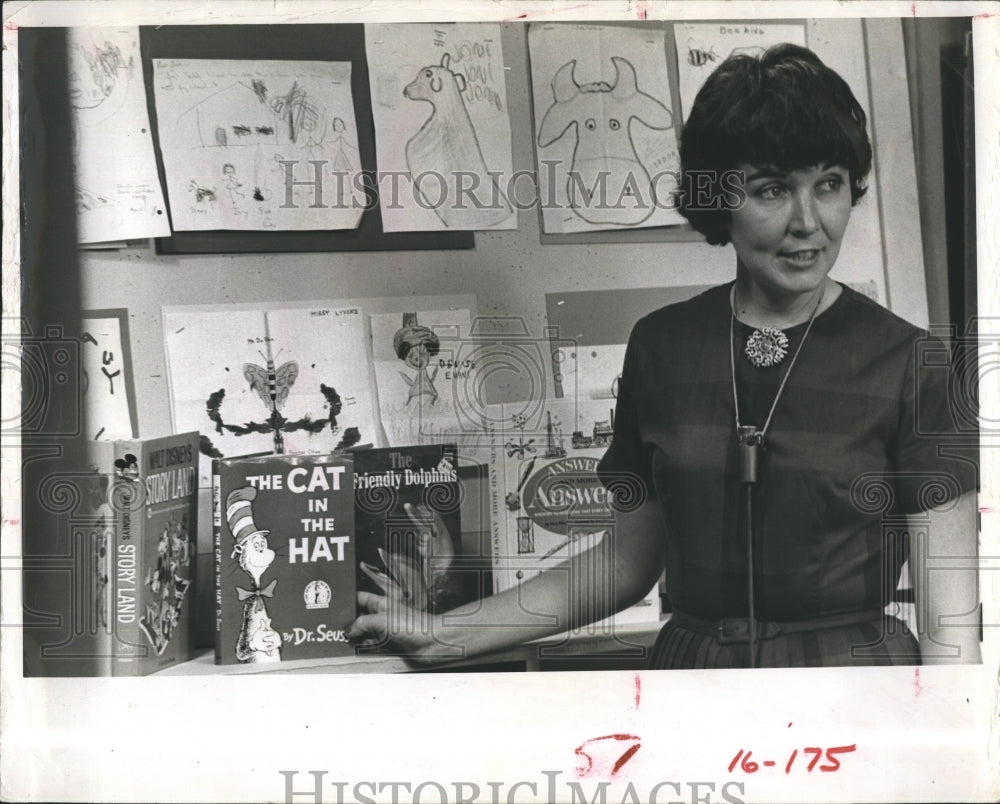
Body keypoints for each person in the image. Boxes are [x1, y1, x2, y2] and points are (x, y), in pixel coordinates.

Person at [346, 44, 980, 669]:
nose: (808, 221)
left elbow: (951, 629)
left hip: (853, 688)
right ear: (720, 202)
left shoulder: (912, 363)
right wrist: (442, 633)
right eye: (771, 190)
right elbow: (623, 563)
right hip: (697, 678)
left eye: (830, 185)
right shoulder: (663, 345)